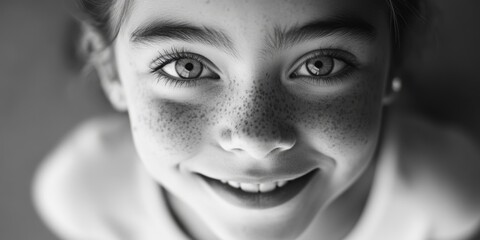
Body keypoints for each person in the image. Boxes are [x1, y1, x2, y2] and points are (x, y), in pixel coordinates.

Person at [33, 0, 480, 239]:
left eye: (321, 65)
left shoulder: (446, 197)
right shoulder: (83, 195)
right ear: (110, 69)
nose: (255, 138)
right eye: (185, 67)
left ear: (393, 65)